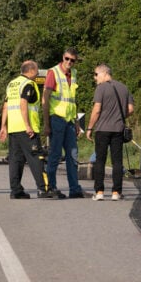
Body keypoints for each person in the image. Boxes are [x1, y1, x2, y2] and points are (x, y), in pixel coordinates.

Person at [0, 59, 55, 199]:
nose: (37, 73)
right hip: (27, 129)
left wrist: (3, 127)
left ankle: (16, 190)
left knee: (15, 159)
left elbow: (6, 106)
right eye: (36, 70)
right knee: (36, 157)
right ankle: (43, 189)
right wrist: (28, 125)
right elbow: (23, 103)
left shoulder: (12, 84)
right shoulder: (28, 84)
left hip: (13, 128)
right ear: (30, 71)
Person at [85, 64, 134, 201]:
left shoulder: (101, 88)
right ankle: (116, 193)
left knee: (100, 160)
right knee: (117, 162)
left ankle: (99, 192)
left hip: (102, 129)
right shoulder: (124, 88)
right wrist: (119, 116)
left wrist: (89, 128)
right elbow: (130, 109)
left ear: (104, 73)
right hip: (118, 129)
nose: (95, 78)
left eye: (96, 74)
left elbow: (97, 109)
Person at [42, 48, 85, 199]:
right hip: (57, 119)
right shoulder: (53, 72)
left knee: (73, 155)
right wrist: (46, 124)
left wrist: (77, 122)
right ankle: (51, 188)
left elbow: (72, 101)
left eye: (72, 60)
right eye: (67, 59)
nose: (69, 62)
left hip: (69, 121)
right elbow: (45, 99)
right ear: (63, 57)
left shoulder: (73, 74)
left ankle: (74, 189)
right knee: (55, 155)